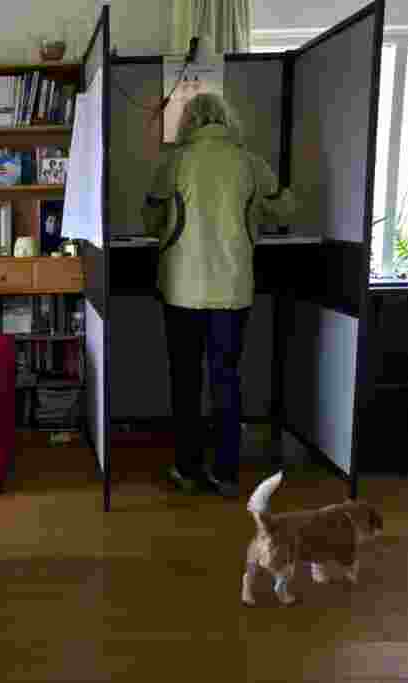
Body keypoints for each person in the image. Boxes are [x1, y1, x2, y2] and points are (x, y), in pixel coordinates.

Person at [141, 92, 297, 498]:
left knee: (186, 380)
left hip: (181, 290)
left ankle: (187, 469)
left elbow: (149, 220)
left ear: (188, 122)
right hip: (233, 289)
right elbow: (287, 209)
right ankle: (226, 473)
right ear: (226, 120)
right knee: (226, 378)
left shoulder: (173, 163)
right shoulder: (249, 162)